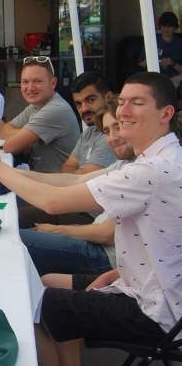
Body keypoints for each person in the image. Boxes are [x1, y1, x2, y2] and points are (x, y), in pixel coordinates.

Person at [0, 71, 181, 366]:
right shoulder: (158, 159)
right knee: (48, 281)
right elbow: (72, 180)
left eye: (138, 102)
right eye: (123, 101)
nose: (126, 110)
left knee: (37, 301)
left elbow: (54, 202)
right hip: (148, 288)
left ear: (166, 113)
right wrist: (119, 272)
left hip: (157, 313)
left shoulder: (152, 171)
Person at [19, 100, 136, 277]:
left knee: (14, 240)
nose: (112, 138)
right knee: (15, 226)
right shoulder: (124, 163)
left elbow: (106, 234)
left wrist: (57, 230)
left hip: (107, 257)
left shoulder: (141, 170)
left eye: (118, 127)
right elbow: (72, 177)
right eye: (107, 131)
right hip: (96, 239)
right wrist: (7, 171)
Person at [0, 56, 80, 173]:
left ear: (53, 83)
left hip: (56, 186)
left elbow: (9, 146)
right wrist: (27, 137)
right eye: (25, 82)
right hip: (39, 177)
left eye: (37, 81)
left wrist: (24, 139)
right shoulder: (36, 106)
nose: (30, 88)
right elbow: (5, 129)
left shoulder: (55, 110)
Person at [61, 71, 116, 174]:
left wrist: (77, 172)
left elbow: (84, 177)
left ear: (108, 97)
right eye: (78, 104)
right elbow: (66, 168)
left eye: (91, 100)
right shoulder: (89, 132)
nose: (84, 109)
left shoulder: (112, 136)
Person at [140, 11, 182, 88]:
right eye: (163, 26)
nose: (166, 29)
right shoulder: (152, 41)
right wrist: (154, 60)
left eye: (169, 26)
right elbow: (141, 64)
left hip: (175, 79)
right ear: (160, 26)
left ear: (175, 27)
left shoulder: (180, 43)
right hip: (155, 77)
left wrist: (172, 63)